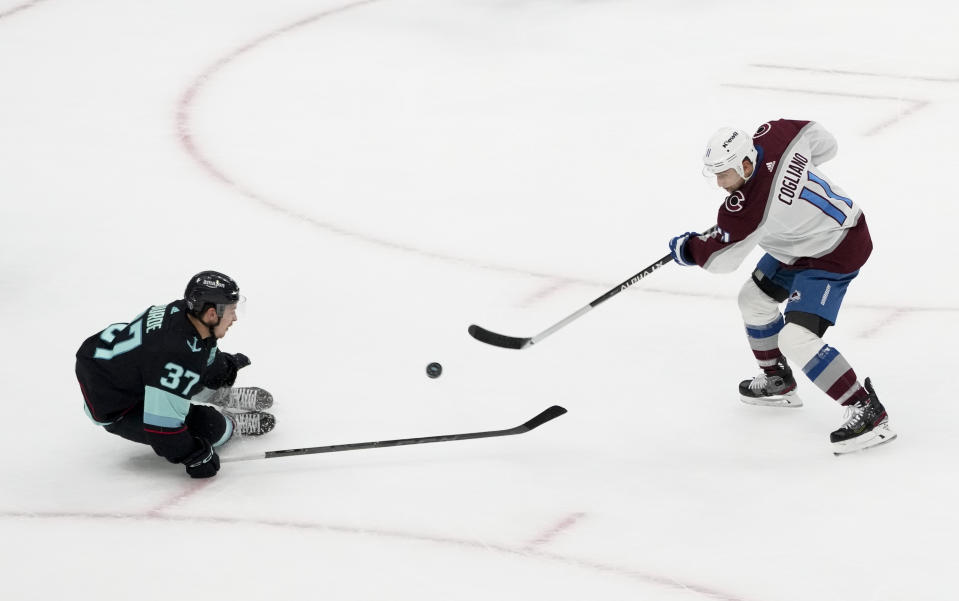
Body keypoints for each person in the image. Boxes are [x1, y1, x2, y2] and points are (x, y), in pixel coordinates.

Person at [668, 120, 896, 454]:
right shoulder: (776, 135)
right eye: (714, 173)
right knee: (753, 299)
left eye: (724, 173)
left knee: (796, 338)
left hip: (837, 246)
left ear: (746, 164)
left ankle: (868, 411)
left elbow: (722, 260)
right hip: (796, 245)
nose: (719, 182)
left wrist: (689, 249)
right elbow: (825, 143)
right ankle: (778, 381)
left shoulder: (748, 207)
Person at [76, 271, 275, 477]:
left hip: (123, 368)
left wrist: (224, 369)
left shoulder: (184, 313)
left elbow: (202, 352)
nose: (234, 318)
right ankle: (231, 424)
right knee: (210, 427)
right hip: (117, 406)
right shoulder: (175, 357)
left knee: (200, 375)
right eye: (232, 311)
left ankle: (220, 396)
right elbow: (163, 429)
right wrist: (196, 456)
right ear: (211, 314)